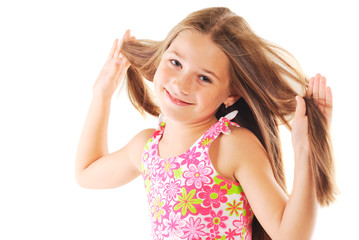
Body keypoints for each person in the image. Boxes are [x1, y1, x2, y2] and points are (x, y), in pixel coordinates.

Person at [75, 7, 336, 240]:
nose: (181, 84)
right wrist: (101, 95)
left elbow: (289, 235)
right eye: (175, 63)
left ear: (231, 94)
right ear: (161, 57)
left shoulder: (233, 146)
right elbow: (87, 173)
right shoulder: (146, 147)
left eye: (204, 78)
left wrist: (306, 150)